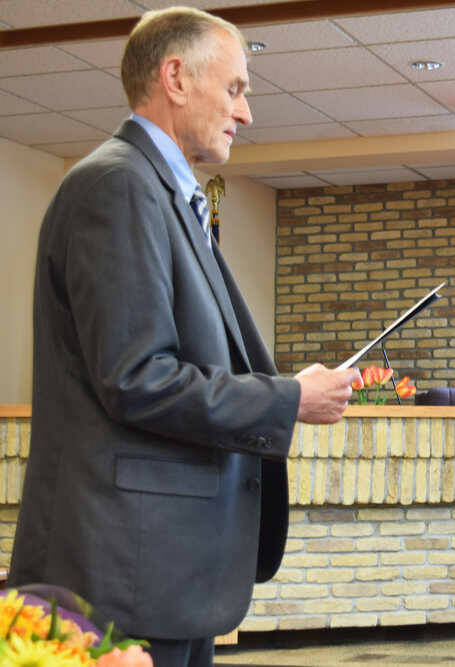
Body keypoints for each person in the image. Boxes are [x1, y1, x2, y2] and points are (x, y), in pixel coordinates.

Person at [8, 7, 360, 666]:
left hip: (161, 572)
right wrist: (287, 399)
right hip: (123, 575)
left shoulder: (162, 191)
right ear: (175, 78)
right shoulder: (116, 185)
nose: (246, 112)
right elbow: (137, 379)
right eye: (235, 88)